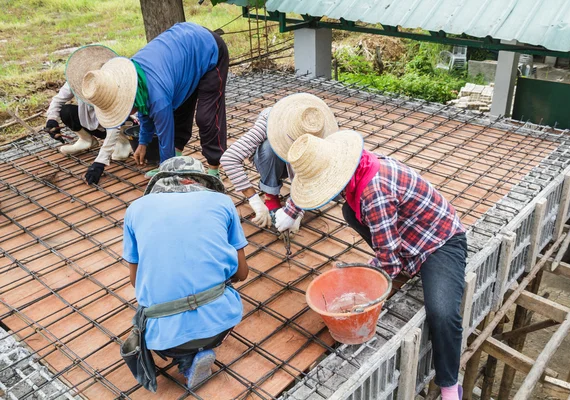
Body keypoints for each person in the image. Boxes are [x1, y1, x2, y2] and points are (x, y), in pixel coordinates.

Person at [284, 131, 467, 400]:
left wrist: (365, 290)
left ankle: (450, 386)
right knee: (349, 210)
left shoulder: (374, 191)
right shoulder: (355, 167)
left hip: (439, 242)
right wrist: (290, 211)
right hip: (408, 233)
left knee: (442, 312)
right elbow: (311, 183)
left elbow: (389, 262)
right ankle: (397, 256)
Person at [122, 156, 248, 391]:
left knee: (145, 309)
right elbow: (242, 273)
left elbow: (134, 281)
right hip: (222, 322)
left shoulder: (135, 209)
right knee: (221, 284)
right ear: (200, 181)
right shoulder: (222, 202)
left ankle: (184, 359)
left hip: (164, 341)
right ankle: (198, 353)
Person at [74, 22, 229, 178]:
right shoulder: (132, 81)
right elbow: (144, 108)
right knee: (180, 109)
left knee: (207, 117)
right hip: (184, 57)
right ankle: (175, 163)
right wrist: (143, 143)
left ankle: (213, 171)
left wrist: (165, 171)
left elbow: (165, 136)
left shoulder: (158, 98)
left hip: (209, 48)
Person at [220, 93, 338, 229]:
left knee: (329, 190)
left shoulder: (321, 129)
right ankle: (271, 195)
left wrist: (297, 211)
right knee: (269, 148)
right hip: (273, 162)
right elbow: (229, 158)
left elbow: (314, 172)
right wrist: (255, 202)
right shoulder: (269, 121)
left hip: (300, 166)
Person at [46, 45, 134, 185]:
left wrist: (99, 162)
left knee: (119, 150)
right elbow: (58, 100)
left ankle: (123, 142)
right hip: (93, 124)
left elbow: (114, 125)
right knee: (66, 111)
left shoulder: (115, 85)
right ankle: (86, 140)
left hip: (116, 126)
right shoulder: (79, 80)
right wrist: (51, 120)